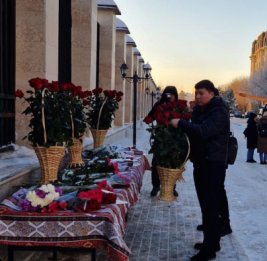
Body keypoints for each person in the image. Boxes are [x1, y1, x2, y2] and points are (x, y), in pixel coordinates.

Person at [171, 80, 231, 261]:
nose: (197, 96)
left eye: (201, 93)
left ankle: (209, 249)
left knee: (210, 206)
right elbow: (194, 134)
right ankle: (213, 242)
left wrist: (180, 123)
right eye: (196, 93)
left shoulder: (219, 111)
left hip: (213, 163)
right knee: (206, 205)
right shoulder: (201, 109)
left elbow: (204, 131)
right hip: (202, 162)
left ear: (212, 93)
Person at [144, 86, 179, 197]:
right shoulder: (159, 105)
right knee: (156, 162)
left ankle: (171, 187)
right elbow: (149, 117)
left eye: (172, 94)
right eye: (168, 94)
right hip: (160, 138)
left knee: (173, 163)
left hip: (174, 139)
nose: (170, 97)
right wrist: (152, 118)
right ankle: (155, 185)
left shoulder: (178, 106)